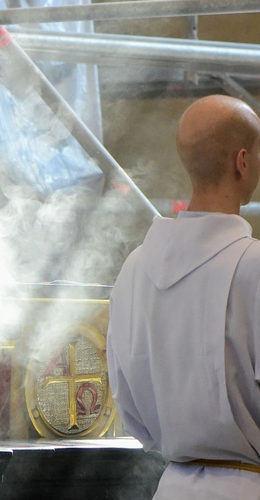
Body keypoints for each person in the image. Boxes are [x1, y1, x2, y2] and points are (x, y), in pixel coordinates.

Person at [107, 94, 260, 499]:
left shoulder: (134, 269)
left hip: (171, 485)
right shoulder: (255, 266)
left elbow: (127, 406)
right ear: (242, 162)